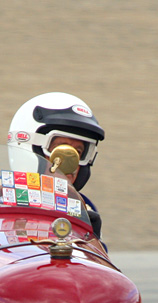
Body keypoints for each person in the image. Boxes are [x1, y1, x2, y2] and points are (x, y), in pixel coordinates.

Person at [7, 92, 105, 236]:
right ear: (29, 147)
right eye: (60, 151)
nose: (70, 164)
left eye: (78, 152)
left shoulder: (84, 210)